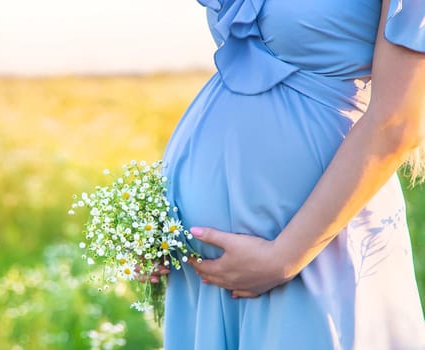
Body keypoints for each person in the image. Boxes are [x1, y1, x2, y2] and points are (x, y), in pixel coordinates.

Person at [158, 0, 425, 349]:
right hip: (210, 279)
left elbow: (398, 123)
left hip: (314, 251)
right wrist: (163, 229)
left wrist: (283, 257)